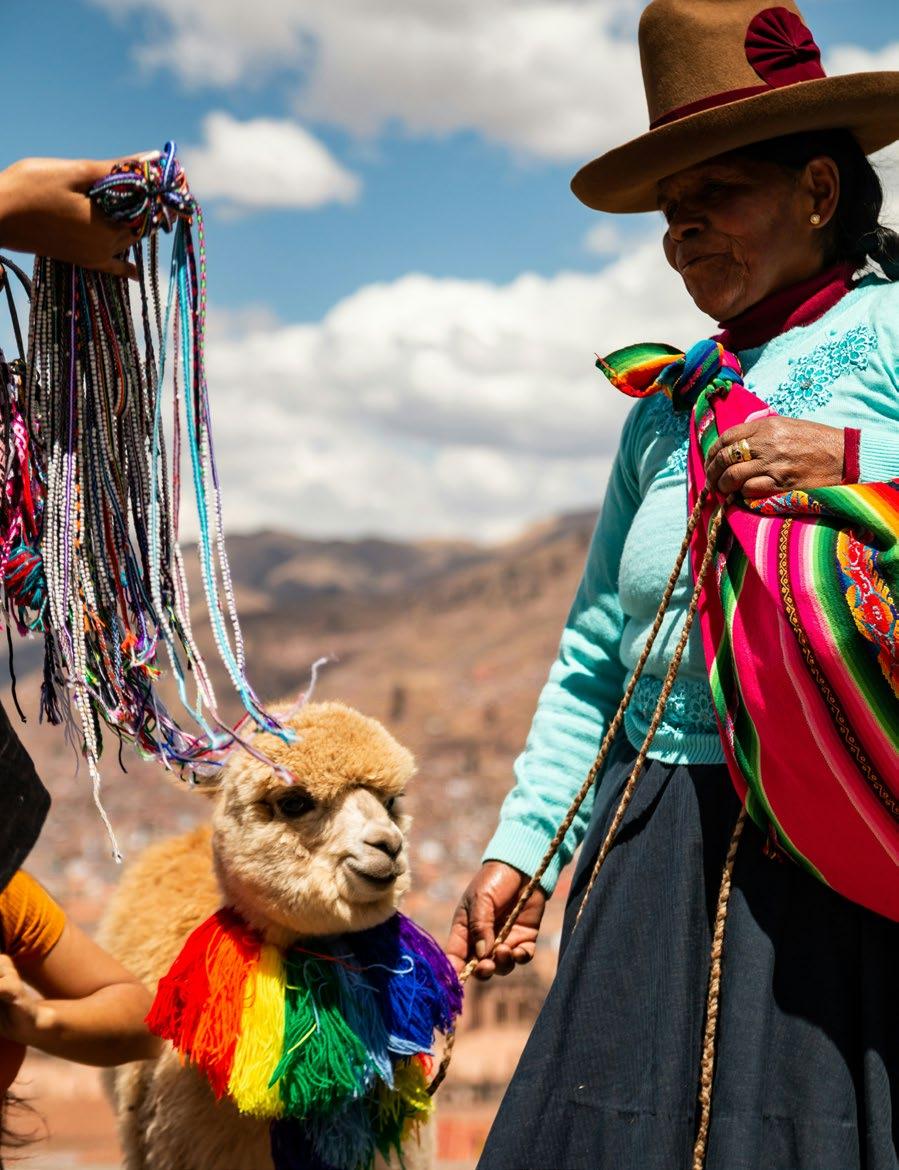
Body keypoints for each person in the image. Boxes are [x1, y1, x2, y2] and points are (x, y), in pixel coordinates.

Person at [447, 2, 899, 1167]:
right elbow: (595, 649)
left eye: (716, 193)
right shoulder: (665, 408)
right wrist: (525, 846)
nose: (681, 231)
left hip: (843, 846)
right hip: (652, 843)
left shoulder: (891, 334)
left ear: (816, 187)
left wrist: (852, 462)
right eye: (668, 210)